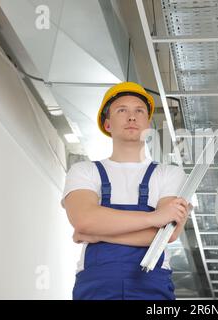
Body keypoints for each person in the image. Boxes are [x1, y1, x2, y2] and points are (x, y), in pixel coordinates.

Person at [61, 81, 190, 300]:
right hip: (96, 286)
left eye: (139, 111)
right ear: (108, 124)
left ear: (148, 123)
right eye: (122, 110)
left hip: (153, 286)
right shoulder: (84, 171)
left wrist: (96, 232)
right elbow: (84, 220)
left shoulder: (170, 174)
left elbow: (166, 235)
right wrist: (155, 217)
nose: (132, 117)